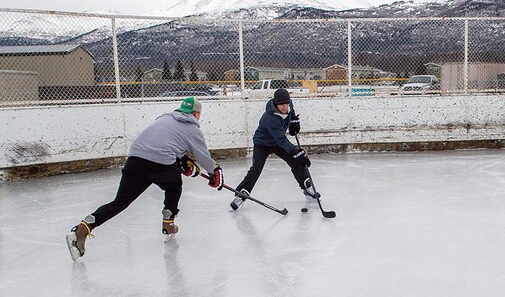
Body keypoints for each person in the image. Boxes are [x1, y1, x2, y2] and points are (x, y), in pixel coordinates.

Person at [66, 97, 224, 261]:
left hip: (135, 160)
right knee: (174, 186)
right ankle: (168, 223)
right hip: (161, 164)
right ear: (196, 114)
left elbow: (164, 141)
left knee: (120, 202)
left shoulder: (164, 117)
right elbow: (203, 156)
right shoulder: (193, 128)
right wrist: (215, 172)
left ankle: (84, 227)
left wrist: (181, 159)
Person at [230, 87, 318, 210]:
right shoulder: (270, 117)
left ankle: (307, 186)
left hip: (277, 142)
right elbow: (281, 139)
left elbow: (291, 116)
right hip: (262, 143)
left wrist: (294, 122)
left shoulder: (289, 106)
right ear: (275, 104)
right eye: (281, 104)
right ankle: (241, 194)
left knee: (296, 160)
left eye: (286, 103)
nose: (284, 107)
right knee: (256, 169)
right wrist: (295, 150)